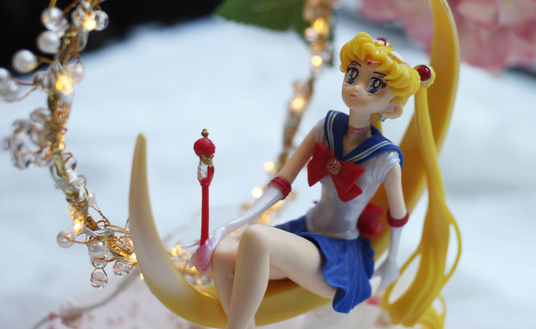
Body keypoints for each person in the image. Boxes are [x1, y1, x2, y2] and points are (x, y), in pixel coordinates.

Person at [193, 32, 458, 329]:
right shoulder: (326, 127)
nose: (355, 87)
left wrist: (392, 261)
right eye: (353, 75)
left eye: (374, 85)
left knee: (257, 237)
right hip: (305, 232)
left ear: (392, 109)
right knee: (223, 254)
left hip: (337, 255)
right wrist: (229, 226)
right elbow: (281, 183)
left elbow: (398, 215)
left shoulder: (385, 159)